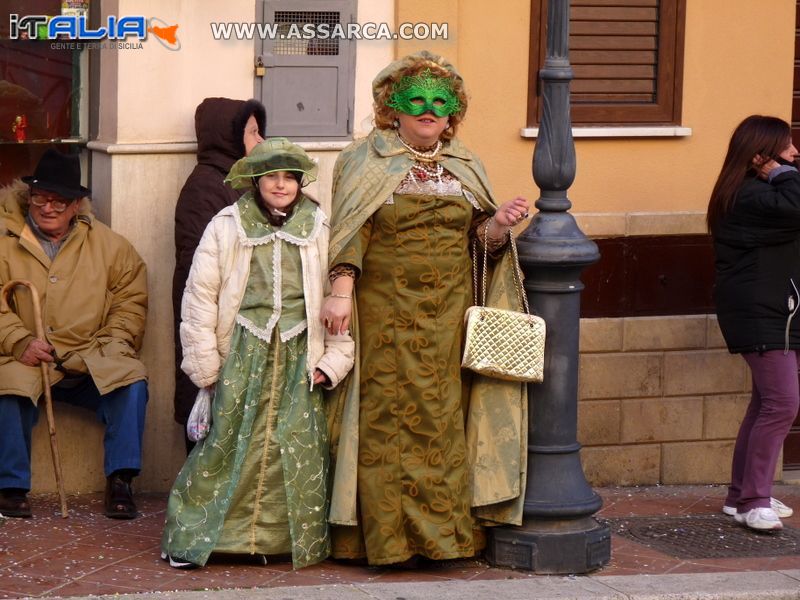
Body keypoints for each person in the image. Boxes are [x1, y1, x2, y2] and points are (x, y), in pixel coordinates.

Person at [321, 51, 530, 566]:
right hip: (385, 310)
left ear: (453, 112)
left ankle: (440, 538)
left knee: (441, 420)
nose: (429, 110)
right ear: (393, 107)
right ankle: (386, 540)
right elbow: (352, 230)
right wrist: (341, 288)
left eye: (441, 103)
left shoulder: (466, 164)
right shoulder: (363, 160)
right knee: (386, 420)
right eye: (416, 100)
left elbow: (479, 242)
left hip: (449, 316)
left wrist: (499, 224)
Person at [161, 138, 355, 569]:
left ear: (301, 182)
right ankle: (199, 538)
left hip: (301, 354)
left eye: (289, 176)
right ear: (255, 180)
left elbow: (338, 301)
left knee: (296, 446)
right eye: (271, 176)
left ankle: (274, 543)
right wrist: (205, 363)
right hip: (242, 353)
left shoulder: (320, 228)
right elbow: (199, 297)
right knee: (226, 444)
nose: (281, 184)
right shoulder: (226, 226)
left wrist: (334, 360)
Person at [0, 149, 148, 519]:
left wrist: (111, 343)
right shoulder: (4, 240)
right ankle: (10, 486)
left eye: (59, 201)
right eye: (40, 199)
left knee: (131, 383)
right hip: (28, 355)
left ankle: (121, 481)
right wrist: (18, 341)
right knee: (8, 390)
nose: (48, 208)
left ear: (76, 204)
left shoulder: (110, 245)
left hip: (90, 352)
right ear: (27, 196)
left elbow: (131, 300)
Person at [707, 114, 800, 531]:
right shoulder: (751, 197)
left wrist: (777, 171)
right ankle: (754, 500)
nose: (795, 153)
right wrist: (780, 173)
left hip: (774, 311)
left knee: (765, 402)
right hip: (762, 313)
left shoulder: (756, 195)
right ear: (760, 156)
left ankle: (739, 496)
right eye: (786, 148)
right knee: (783, 403)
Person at [172, 98, 266, 454]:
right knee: (207, 404)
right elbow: (201, 265)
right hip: (210, 317)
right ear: (227, 137)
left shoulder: (245, 181)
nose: (260, 141)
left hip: (239, 315)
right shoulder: (206, 186)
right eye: (252, 133)